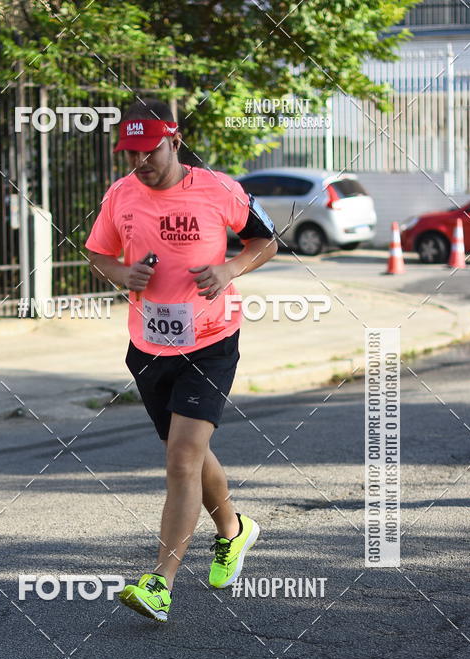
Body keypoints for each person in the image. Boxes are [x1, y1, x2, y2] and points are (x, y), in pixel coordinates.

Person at [85, 99, 278, 622]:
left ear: (173, 140)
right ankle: (235, 532)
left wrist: (231, 268)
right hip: (148, 346)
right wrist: (119, 275)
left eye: (148, 151)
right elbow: (97, 251)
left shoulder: (218, 188)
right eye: (130, 152)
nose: (139, 162)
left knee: (180, 459)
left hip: (211, 340)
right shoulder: (121, 195)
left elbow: (266, 240)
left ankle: (160, 583)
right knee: (186, 452)